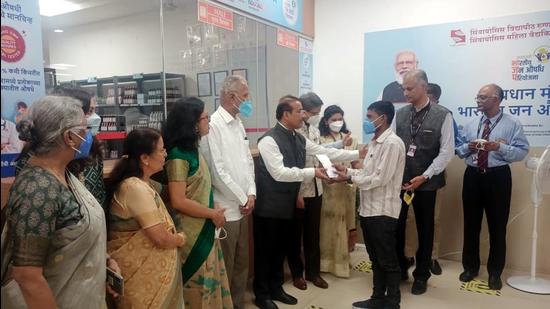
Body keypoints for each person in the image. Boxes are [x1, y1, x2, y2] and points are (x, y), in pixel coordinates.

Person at [1, 95, 119, 308]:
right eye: (85, 129)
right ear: (70, 138)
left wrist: (105, 262)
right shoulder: (38, 187)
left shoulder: (62, 175)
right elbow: (27, 276)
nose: (89, 135)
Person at [253, 95, 364, 309]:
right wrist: (313, 172)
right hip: (269, 207)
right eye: (299, 111)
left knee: (279, 251)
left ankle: (276, 288)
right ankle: (262, 294)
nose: (303, 115)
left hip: (286, 206)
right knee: (265, 252)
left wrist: (357, 152)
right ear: (286, 114)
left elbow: (324, 151)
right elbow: (279, 173)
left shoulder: (297, 137)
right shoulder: (268, 140)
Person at [456, 84, 529, 290]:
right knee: (471, 225)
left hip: (498, 177)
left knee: (497, 227)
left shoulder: (513, 123)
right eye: (477, 96)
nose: (477, 100)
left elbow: (522, 151)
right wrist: (467, 147)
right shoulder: (471, 123)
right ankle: (470, 268)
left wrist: (499, 147)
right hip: (472, 176)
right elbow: (459, 150)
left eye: (482, 97)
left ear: (496, 100)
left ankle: (495, 273)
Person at [333, 101, 405, 309]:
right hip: (368, 209)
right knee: (375, 259)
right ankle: (377, 298)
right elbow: (366, 173)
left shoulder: (392, 143)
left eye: (370, 117)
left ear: (383, 118)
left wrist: (348, 179)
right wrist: (347, 173)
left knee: (387, 260)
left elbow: (379, 179)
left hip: (383, 211)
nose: (367, 121)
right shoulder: (374, 142)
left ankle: (393, 301)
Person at [164, 97, 233, 309]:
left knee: (211, 283)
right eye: (205, 118)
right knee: (197, 286)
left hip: (205, 225)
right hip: (191, 234)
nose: (209, 122)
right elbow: (178, 200)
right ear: (192, 123)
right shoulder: (178, 156)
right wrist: (212, 214)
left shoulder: (195, 151)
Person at [106, 128, 186, 308]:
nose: (165, 154)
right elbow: (160, 237)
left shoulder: (144, 183)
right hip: (142, 278)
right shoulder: (134, 188)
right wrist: (180, 238)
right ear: (144, 158)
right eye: (161, 150)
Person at [393, 69, 454, 295]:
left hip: (427, 183)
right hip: (400, 182)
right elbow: (393, 146)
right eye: (403, 89)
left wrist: (425, 175)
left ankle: (422, 275)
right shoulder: (400, 114)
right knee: (397, 227)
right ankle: (400, 268)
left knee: (425, 230)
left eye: (410, 88)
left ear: (424, 87)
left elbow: (447, 152)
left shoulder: (442, 114)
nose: (406, 92)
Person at [201, 75, 256, 309]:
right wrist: (243, 198)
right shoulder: (213, 125)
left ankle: (238, 304)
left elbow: (247, 162)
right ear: (231, 96)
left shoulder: (238, 123)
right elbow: (218, 171)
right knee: (228, 263)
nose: (248, 100)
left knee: (243, 262)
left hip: (245, 206)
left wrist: (251, 193)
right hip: (226, 208)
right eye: (245, 96)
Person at [15, 86, 106, 207]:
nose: (94, 118)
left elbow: (99, 194)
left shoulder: (91, 149)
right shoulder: (36, 169)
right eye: (89, 111)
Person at [288, 92, 331, 290]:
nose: (316, 116)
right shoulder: (293, 133)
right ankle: (297, 274)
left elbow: (321, 154)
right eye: (314, 112)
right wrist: (296, 194)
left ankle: (314, 273)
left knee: (314, 235)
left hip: (317, 189)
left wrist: (330, 172)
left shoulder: (313, 131)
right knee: (295, 236)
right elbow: (291, 166)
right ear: (303, 111)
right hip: (299, 192)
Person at [318, 105, 359, 278]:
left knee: (347, 225)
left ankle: (343, 261)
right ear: (326, 121)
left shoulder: (351, 138)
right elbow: (319, 163)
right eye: (333, 119)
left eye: (340, 118)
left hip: (347, 187)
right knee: (328, 225)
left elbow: (356, 162)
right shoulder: (320, 140)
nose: (337, 122)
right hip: (328, 187)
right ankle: (327, 262)